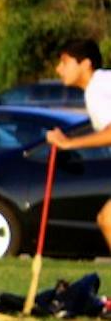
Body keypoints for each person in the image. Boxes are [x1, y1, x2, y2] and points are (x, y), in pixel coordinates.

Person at [46, 38, 111, 254]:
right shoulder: (103, 84)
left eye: (65, 62)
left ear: (85, 64)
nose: (58, 69)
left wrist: (69, 143)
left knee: (108, 220)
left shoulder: (96, 89)